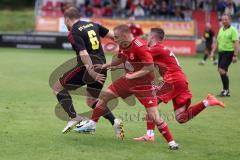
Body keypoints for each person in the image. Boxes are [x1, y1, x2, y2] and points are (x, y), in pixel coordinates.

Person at [75, 24, 179, 149]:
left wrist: (133, 75)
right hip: (127, 81)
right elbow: (120, 59)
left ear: (124, 35)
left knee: (154, 116)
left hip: (144, 85)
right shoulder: (122, 44)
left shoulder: (141, 47)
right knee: (104, 98)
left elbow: (149, 67)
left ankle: (171, 143)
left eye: (117, 37)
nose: (115, 40)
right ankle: (92, 124)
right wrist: (106, 66)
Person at [133, 28, 225, 142]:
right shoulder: (162, 48)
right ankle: (207, 102)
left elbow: (140, 57)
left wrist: (133, 44)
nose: (146, 38)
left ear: (152, 37)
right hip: (180, 79)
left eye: (148, 36)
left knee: (151, 102)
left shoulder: (156, 48)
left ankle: (150, 135)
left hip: (174, 79)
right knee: (181, 118)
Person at [52, 7, 123, 137]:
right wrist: (127, 49)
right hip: (102, 65)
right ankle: (115, 122)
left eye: (64, 21)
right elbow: (114, 37)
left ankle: (73, 117)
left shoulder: (74, 31)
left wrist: (91, 72)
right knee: (92, 100)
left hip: (88, 67)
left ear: (67, 19)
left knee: (57, 87)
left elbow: (84, 53)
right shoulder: (93, 24)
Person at [210, 14, 239, 97]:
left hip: (229, 52)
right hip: (221, 53)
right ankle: (225, 90)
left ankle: (226, 90)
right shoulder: (221, 30)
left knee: (221, 70)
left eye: (226, 19)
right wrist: (212, 51)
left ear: (230, 20)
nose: (224, 21)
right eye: (223, 19)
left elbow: (236, 43)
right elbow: (217, 42)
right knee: (223, 71)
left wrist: (235, 55)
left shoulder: (233, 30)